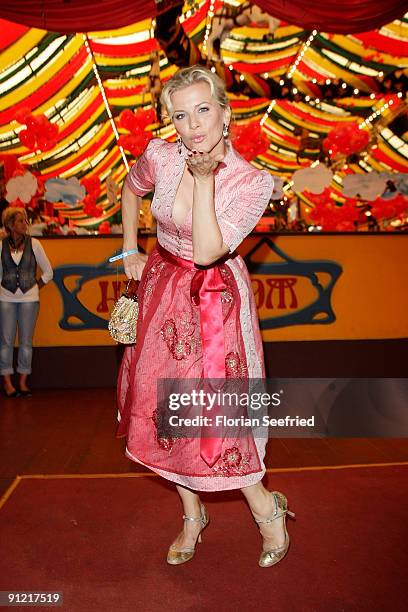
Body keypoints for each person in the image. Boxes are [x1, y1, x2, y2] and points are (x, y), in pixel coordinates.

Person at [116, 65, 295, 567]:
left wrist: (202, 181)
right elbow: (130, 189)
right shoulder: (159, 154)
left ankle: (267, 511)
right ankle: (192, 514)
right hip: (162, 288)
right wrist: (129, 247)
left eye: (202, 110)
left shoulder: (251, 182)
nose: (192, 125)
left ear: (225, 113)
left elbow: (209, 250)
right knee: (163, 407)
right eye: (180, 115)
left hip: (214, 297)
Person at [0, 207, 53, 397]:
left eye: (25, 221)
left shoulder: (35, 244)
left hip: (29, 299)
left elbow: (49, 272)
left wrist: (35, 286)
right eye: (21, 221)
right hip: (5, 298)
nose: (25, 224)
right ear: (11, 225)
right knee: (5, 341)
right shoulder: (1, 246)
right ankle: (7, 383)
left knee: (26, 342)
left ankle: (22, 382)